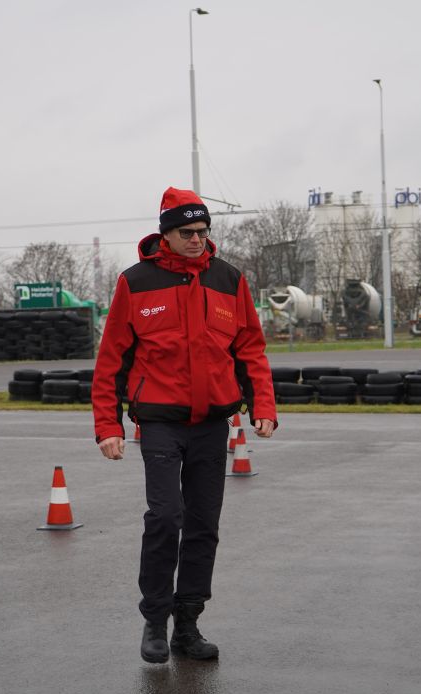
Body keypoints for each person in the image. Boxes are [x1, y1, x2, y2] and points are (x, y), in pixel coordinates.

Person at [92, 186, 277, 664]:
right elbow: (111, 359)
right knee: (165, 517)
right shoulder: (135, 282)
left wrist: (263, 404)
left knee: (202, 525)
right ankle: (155, 620)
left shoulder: (229, 279)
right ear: (166, 235)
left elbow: (250, 349)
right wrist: (108, 424)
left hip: (213, 423)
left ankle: (188, 624)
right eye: (188, 232)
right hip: (161, 423)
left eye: (203, 230)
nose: (198, 239)